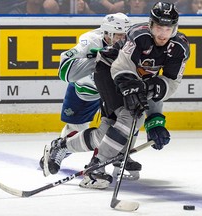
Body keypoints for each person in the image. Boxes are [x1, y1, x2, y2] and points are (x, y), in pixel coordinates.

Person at [42, 1, 190, 190]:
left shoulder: (180, 48)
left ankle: (63, 146)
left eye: (168, 29)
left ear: (175, 29)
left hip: (134, 80)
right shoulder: (139, 36)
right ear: (151, 24)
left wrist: (155, 120)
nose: (163, 34)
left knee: (107, 131)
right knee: (130, 116)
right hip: (108, 73)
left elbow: (169, 83)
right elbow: (120, 67)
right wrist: (132, 88)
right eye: (159, 27)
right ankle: (96, 167)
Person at [40, 13, 138, 185]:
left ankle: (111, 161)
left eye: (125, 34)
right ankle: (59, 148)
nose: (122, 38)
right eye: (118, 35)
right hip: (84, 92)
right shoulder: (90, 41)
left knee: (123, 122)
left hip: (108, 92)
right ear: (107, 34)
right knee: (76, 131)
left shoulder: (131, 44)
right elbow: (64, 71)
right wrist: (96, 59)